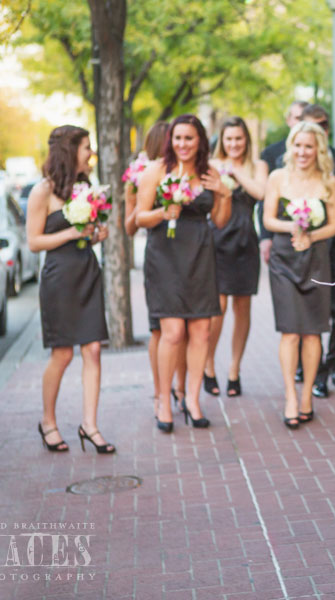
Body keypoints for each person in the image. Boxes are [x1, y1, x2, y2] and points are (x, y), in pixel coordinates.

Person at [136, 114, 231, 433]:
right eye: (177, 138)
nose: (182, 144)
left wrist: (223, 193)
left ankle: (192, 400)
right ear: (170, 141)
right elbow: (140, 218)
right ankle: (163, 400)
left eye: (189, 138)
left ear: (200, 141)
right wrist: (164, 212)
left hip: (201, 256)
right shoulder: (156, 171)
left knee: (202, 331)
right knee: (173, 332)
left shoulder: (209, 173)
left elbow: (219, 220)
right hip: (164, 257)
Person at [27, 125, 115, 454]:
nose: (90, 153)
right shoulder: (42, 191)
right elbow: (34, 242)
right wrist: (71, 233)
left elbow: (84, 234)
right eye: (86, 147)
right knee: (62, 354)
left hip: (87, 271)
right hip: (59, 277)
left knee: (93, 350)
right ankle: (48, 421)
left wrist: (94, 235)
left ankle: (89, 425)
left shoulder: (85, 187)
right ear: (70, 151)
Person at [262, 121, 335, 429]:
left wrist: (312, 235)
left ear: (318, 149)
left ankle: (307, 394)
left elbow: (334, 225)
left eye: (309, 146)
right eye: (298, 145)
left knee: (313, 331)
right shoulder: (277, 177)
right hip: (284, 258)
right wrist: (294, 227)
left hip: (317, 258)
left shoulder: (329, 181)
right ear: (290, 147)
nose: (302, 152)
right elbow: (268, 219)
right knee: (290, 331)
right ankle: (290, 397)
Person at [124, 121, 189, 414]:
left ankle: (181, 389)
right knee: (160, 332)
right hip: (159, 257)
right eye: (171, 140)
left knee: (183, 330)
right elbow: (129, 226)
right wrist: (145, 205)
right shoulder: (142, 176)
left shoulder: (182, 172)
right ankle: (158, 391)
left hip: (185, 255)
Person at [203, 117, 268, 398]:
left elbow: (261, 192)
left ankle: (234, 369)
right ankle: (208, 366)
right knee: (216, 310)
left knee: (243, 309)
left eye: (239, 139)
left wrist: (236, 172)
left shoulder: (258, 167)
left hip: (245, 243)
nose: (234, 144)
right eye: (228, 139)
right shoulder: (211, 166)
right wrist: (223, 170)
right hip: (217, 242)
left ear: (246, 140)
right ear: (222, 140)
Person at [299, 104, 335, 399]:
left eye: (322, 125)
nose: (317, 130)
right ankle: (311, 369)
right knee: (310, 311)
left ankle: (334, 367)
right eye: (310, 125)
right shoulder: (295, 162)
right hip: (307, 249)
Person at [259, 100, 309, 266]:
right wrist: (266, 238)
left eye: (305, 118)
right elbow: (264, 200)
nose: (300, 123)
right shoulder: (271, 153)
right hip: (279, 235)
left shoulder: (317, 154)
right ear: (288, 120)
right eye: (297, 118)